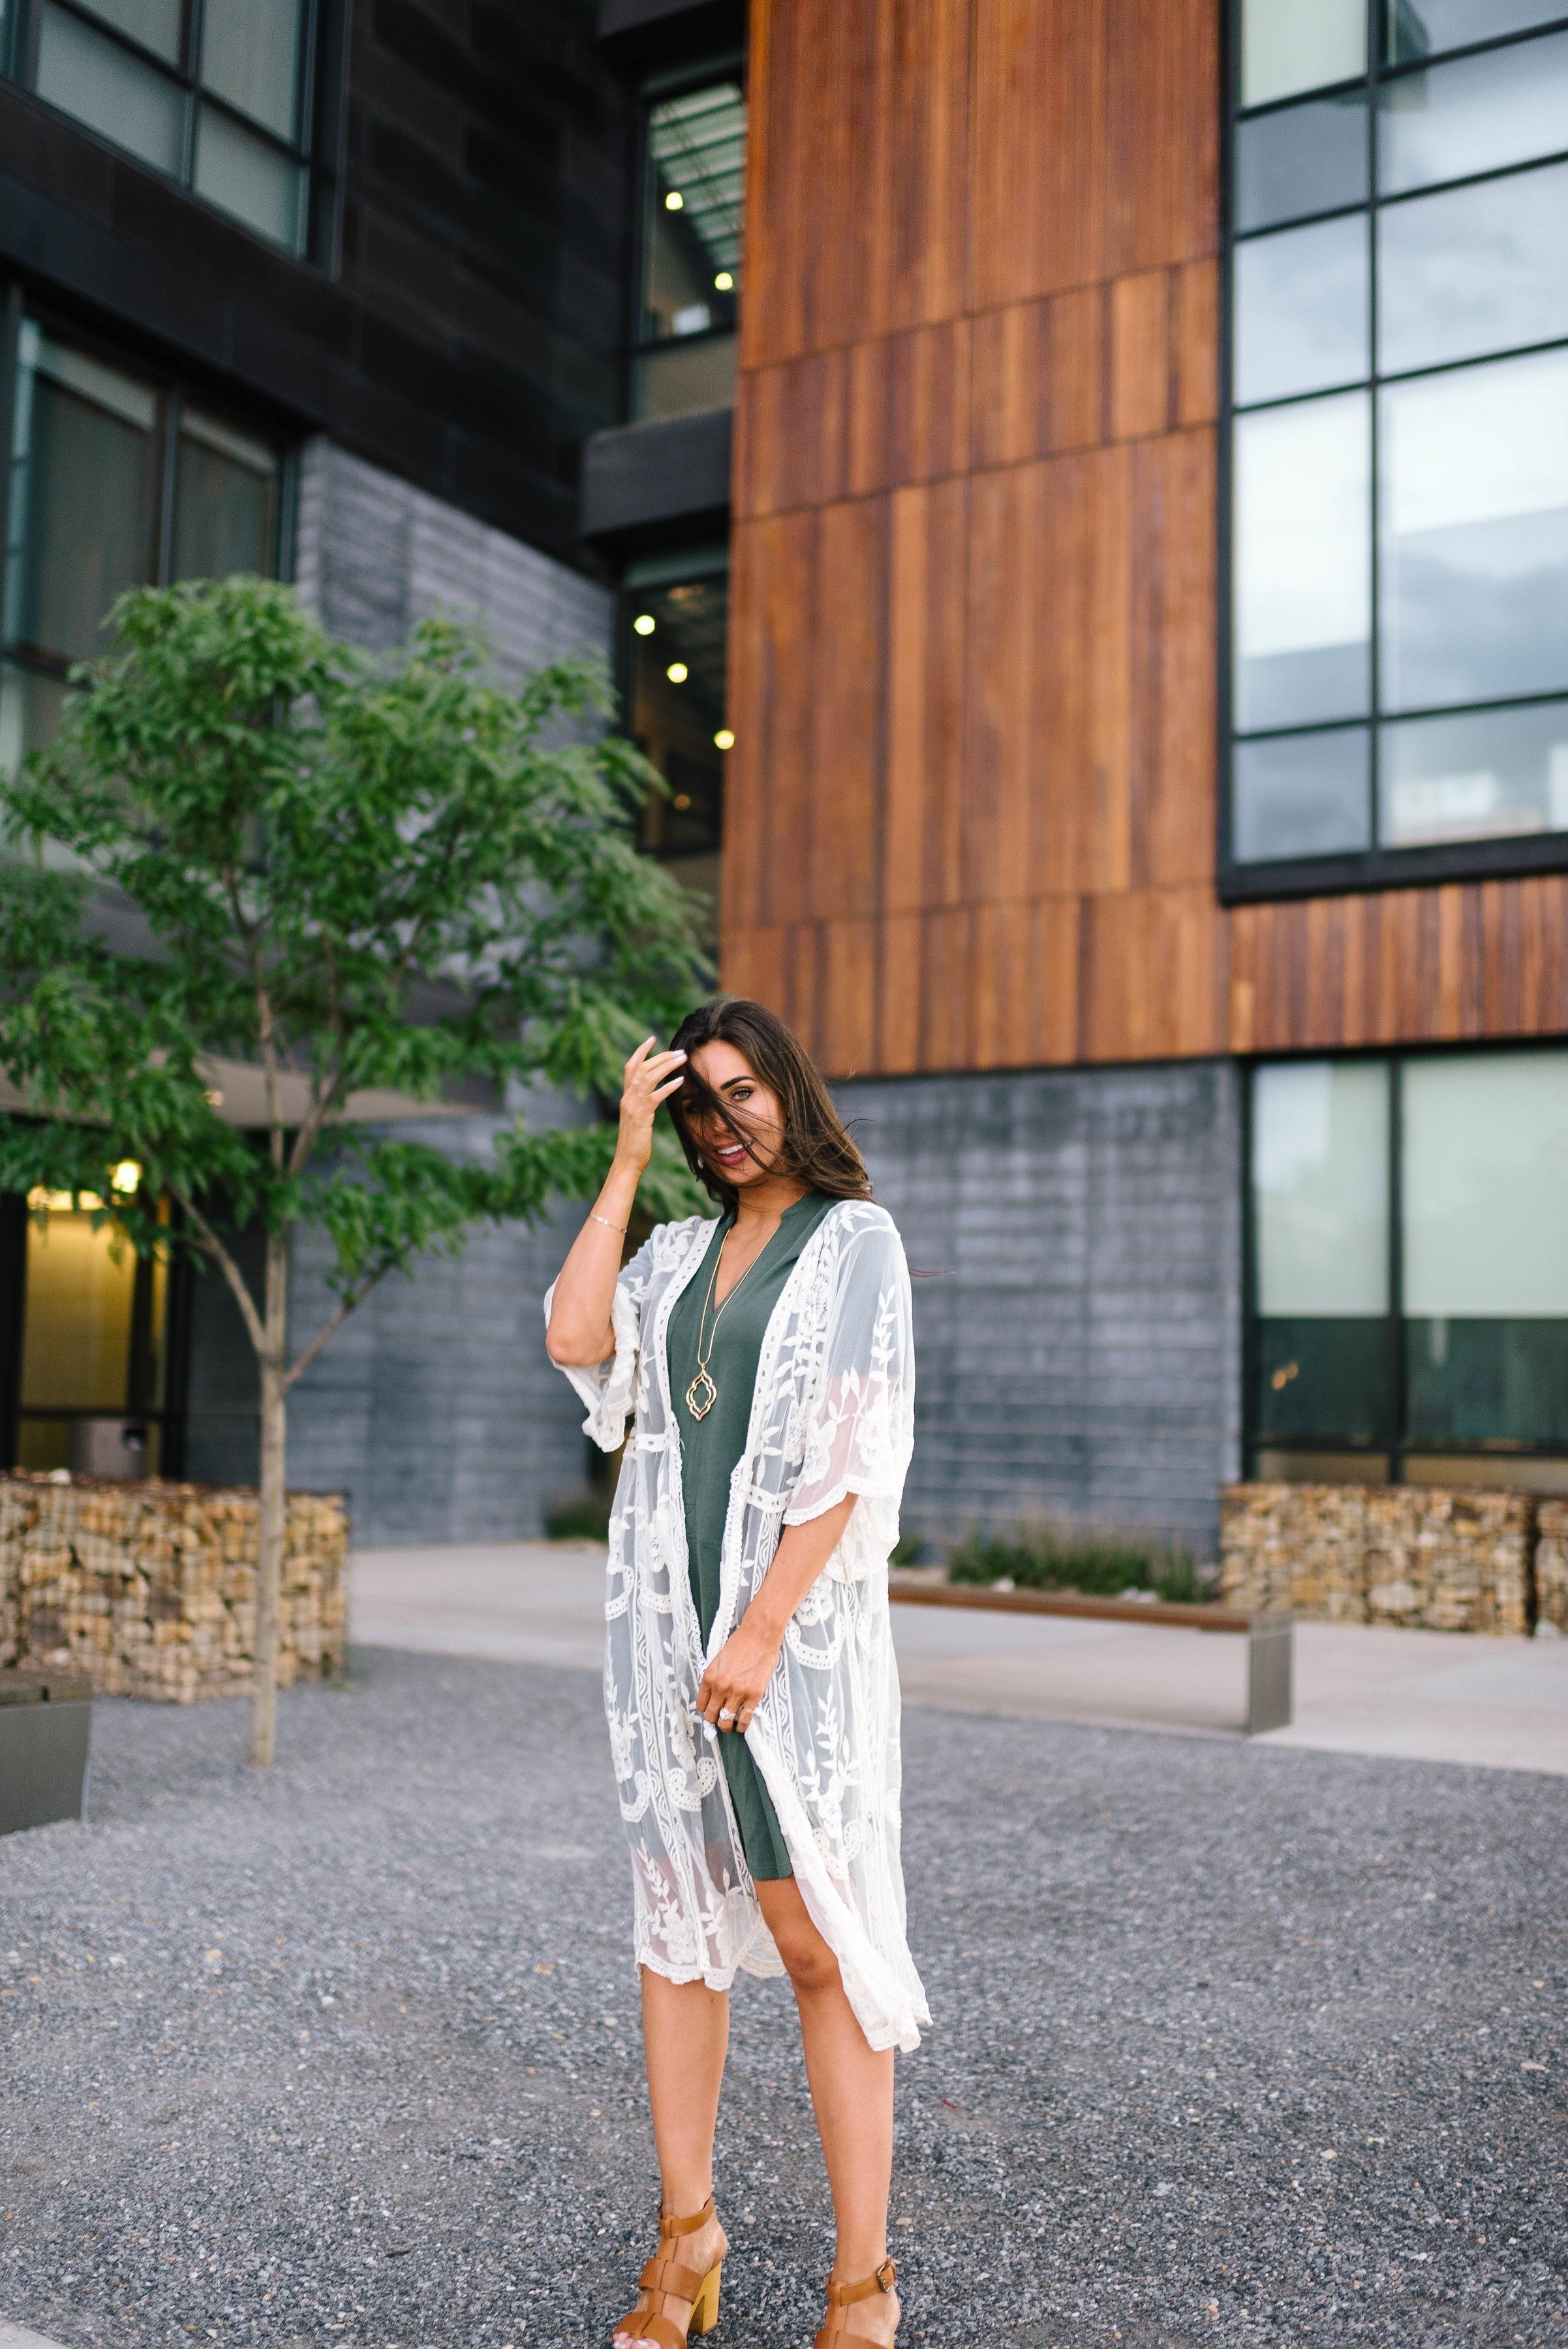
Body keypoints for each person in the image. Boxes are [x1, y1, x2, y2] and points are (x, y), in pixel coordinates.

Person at [546, 996, 928, 2349]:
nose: (722, 1123)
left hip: (784, 1654)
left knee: (817, 1943)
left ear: (789, 1090)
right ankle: (687, 2232)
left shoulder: (852, 1246)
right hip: (667, 1650)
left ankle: (863, 2277)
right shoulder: (669, 1253)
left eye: (740, 1093)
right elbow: (576, 1340)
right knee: (675, 1940)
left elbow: (851, 1452)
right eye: (696, 1104)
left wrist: (763, 1630)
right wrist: (622, 1157)